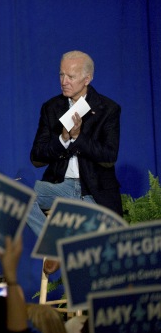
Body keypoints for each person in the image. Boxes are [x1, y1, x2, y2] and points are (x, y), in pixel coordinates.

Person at [26, 50, 122, 275]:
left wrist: (79, 138)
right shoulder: (51, 108)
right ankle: (53, 248)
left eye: (70, 76)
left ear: (87, 79)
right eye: (61, 75)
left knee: (89, 235)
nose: (63, 81)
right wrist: (63, 139)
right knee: (18, 193)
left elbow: (109, 156)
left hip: (92, 192)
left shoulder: (108, 109)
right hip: (60, 185)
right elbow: (37, 156)